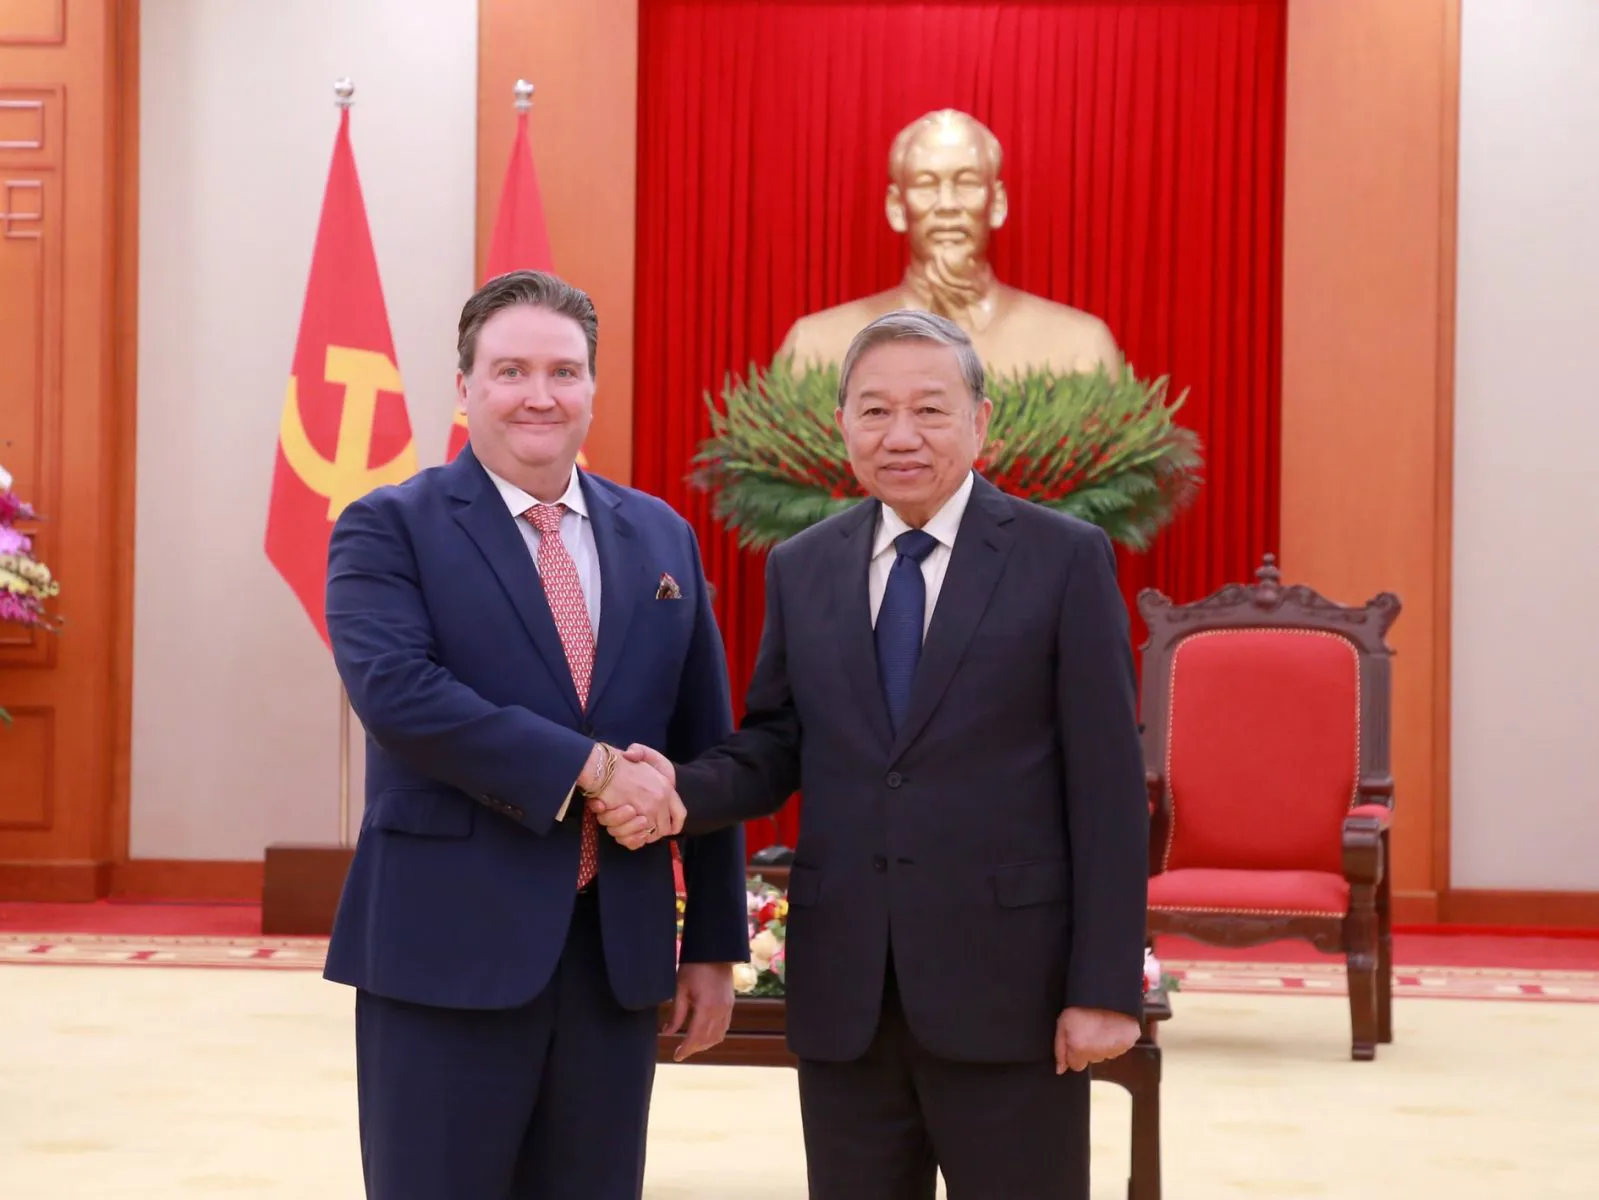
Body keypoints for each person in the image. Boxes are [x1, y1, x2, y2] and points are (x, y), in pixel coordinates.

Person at [598, 309, 1150, 1199]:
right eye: (874, 411)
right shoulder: (804, 564)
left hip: (1009, 989)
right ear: (842, 424)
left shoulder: (1061, 559)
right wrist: (678, 791)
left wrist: (1105, 987)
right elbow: (777, 743)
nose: (900, 435)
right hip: (846, 990)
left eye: (929, 410)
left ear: (980, 421)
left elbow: (1109, 790)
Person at [321, 269, 749, 1200]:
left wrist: (714, 943)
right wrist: (591, 769)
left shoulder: (661, 536)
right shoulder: (388, 527)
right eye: (510, 371)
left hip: (614, 960)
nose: (539, 395)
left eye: (563, 371)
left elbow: (702, 745)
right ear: (464, 387)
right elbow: (399, 695)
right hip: (444, 949)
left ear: (592, 386)